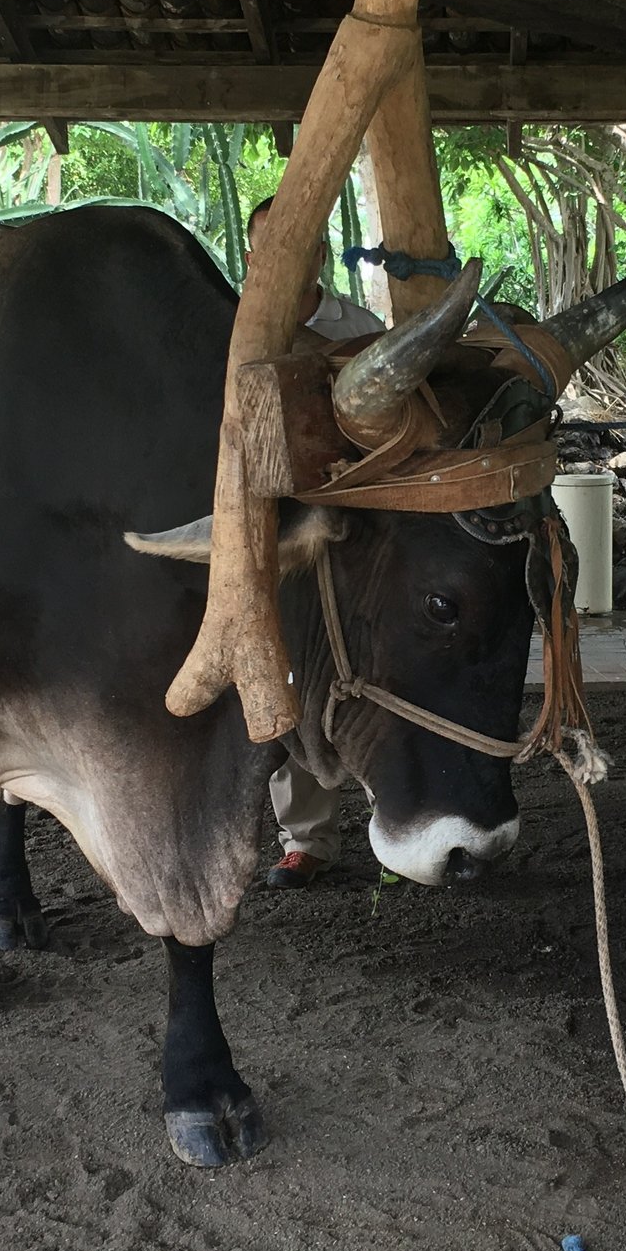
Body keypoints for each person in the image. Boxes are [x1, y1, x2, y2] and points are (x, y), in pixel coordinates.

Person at [244, 195, 384, 888]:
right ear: (248, 254)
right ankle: (305, 838)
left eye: (297, 243)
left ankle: (400, 814)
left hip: (346, 533)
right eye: (267, 246)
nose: (281, 258)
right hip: (260, 534)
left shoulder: (358, 329)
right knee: (277, 675)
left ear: (321, 254)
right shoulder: (231, 326)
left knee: (367, 666)